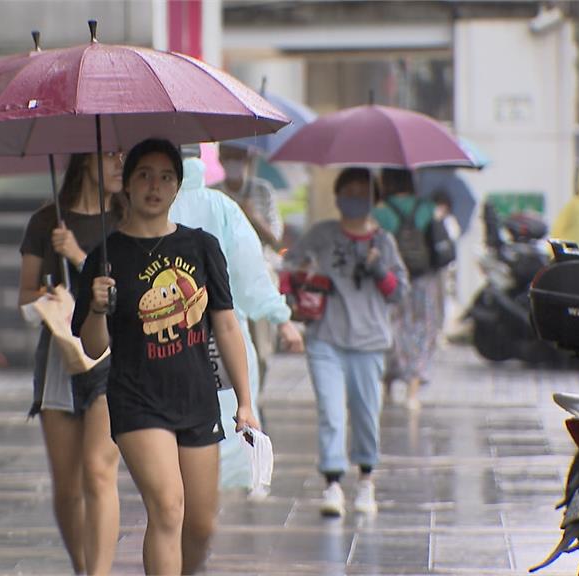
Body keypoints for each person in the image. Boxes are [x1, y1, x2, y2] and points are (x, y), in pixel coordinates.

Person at [72, 139, 260, 575]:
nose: (154, 186)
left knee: (200, 525)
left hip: (197, 397)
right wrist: (98, 308)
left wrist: (246, 402)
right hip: (137, 399)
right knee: (168, 507)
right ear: (127, 186)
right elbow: (94, 346)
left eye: (165, 177)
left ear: (178, 187)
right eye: (143, 175)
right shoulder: (105, 257)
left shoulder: (202, 247)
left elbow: (227, 325)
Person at [169, 145, 303, 494]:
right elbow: (250, 275)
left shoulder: (146, 212)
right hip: (223, 336)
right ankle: (208, 501)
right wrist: (280, 317)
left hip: (163, 336)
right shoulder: (222, 207)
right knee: (227, 425)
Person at [17, 152, 124, 575]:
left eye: (123, 156)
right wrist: (49, 297)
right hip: (60, 360)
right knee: (67, 488)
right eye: (111, 155)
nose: (120, 164)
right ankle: (83, 567)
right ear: (84, 161)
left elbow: (128, 294)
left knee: (99, 471)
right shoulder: (47, 222)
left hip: (113, 359)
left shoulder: (125, 219)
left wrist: (80, 257)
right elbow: (24, 296)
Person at [283, 167, 408, 517]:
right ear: (337, 197)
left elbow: (398, 292)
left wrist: (379, 270)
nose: (353, 199)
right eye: (347, 191)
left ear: (374, 199)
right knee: (332, 412)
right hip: (325, 338)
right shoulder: (321, 234)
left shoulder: (384, 242)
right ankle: (333, 484)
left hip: (368, 343)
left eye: (361, 192)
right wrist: (302, 279)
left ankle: (366, 480)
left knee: (367, 415)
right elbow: (290, 267)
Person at [215, 142, 285, 392]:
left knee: (262, 348)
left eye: (239, 156)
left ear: (248, 158)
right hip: (223, 275)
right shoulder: (213, 194)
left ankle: (257, 395)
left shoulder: (262, 191)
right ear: (221, 158)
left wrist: (252, 217)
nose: (234, 161)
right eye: (229, 155)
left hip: (258, 273)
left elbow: (276, 240)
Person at [372, 167, 442, 410]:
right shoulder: (427, 208)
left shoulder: (379, 212)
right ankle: (413, 390)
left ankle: (387, 386)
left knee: (393, 326)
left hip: (391, 279)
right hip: (425, 278)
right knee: (423, 328)